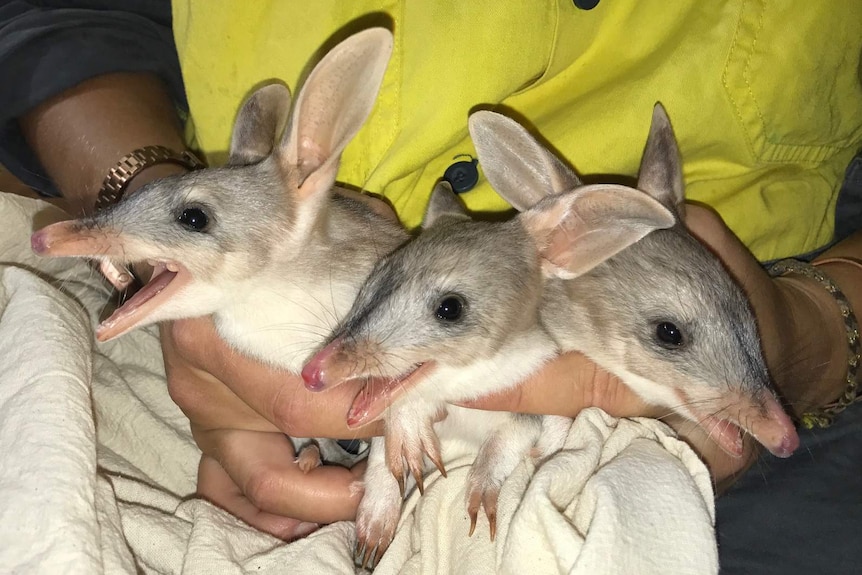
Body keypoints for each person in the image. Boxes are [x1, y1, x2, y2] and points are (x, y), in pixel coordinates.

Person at [1, 1, 861, 572]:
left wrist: (822, 336)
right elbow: (64, 17)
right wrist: (162, 213)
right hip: (214, 332)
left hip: (782, 370)